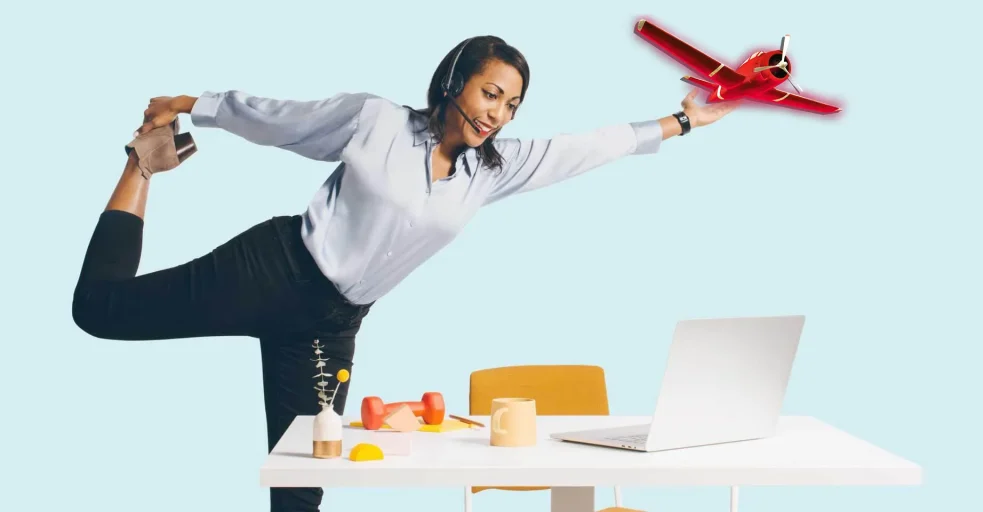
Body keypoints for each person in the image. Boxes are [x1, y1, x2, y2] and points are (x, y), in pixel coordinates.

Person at [71, 35, 738, 511]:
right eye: (490, 93)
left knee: (303, 482)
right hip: (273, 269)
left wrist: (683, 120)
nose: (497, 113)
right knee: (98, 310)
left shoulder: (491, 173)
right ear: (454, 81)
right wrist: (191, 102)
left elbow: (588, 147)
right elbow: (277, 119)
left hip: (328, 326)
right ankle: (142, 166)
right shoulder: (376, 121)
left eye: (511, 106)